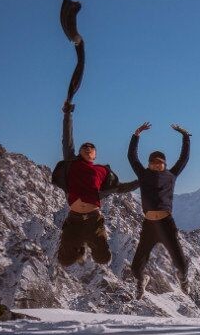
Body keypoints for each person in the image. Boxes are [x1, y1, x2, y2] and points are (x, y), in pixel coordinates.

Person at [52, 102, 140, 268]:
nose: (88, 148)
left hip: (93, 220)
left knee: (103, 258)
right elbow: (67, 139)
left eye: (91, 148)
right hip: (74, 220)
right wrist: (67, 114)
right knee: (64, 260)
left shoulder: (102, 171)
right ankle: (80, 248)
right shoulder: (72, 164)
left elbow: (120, 188)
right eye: (84, 147)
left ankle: (90, 244)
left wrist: (141, 181)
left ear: (95, 155)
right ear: (79, 152)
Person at [125, 122, 190, 299]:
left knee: (181, 264)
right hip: (149, 226)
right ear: (148, 164)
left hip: (166, 224)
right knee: (135, 268)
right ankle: (142, 280)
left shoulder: (171, 175)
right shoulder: (143, 174)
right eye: (153, 162)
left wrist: (185, 137)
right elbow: (132, 157)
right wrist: (136, 135)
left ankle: (184, 279)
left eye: (159, 162)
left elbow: (184, 159)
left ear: (164, 164)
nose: (156, 164)